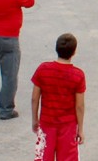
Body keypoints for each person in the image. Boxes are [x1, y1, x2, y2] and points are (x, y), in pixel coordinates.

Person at [31, 33, 87, 161]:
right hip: (68, 125)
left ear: (56, 48)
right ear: (74, 52)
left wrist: (35, 119)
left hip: (46, 122)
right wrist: (81, 129)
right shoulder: (78, 75)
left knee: (44, 156)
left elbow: (35, 98)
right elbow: (79, 106)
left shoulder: (43, 69)